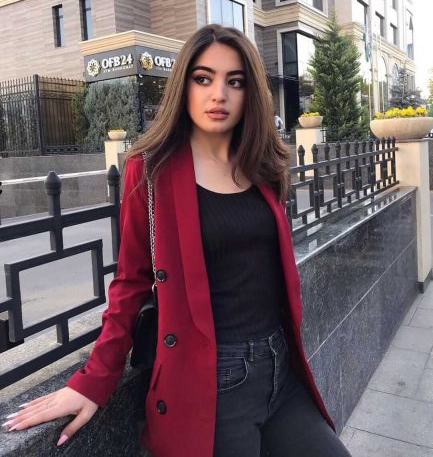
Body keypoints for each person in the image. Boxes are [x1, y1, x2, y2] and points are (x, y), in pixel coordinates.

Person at [2, 24, 351, 457]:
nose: (218, 94)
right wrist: (93, 380)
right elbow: (130, 282)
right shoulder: (152, 171)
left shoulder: (263, 164)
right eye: (203, 78)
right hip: (215, 384)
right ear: (183, 86)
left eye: (235, 81)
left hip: (281, 369)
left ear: (250, 93)